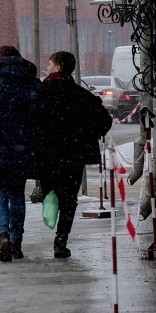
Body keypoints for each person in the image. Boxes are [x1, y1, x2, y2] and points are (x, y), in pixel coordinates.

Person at [37, 51, 113, 258]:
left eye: (50, 64)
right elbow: (105, 121)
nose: (47, 67)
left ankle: (50, 214)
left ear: (58, 67)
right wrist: (85, 135)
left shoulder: (41, 93)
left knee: (50, 193)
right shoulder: (81, 95)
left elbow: (30, 122)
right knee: (69, 198)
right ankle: (61, 241)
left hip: (47, 154)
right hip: (73, 155)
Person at [0, 46, 41, 262]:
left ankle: (3, 235)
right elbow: (42, 109)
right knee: (17, 195)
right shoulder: (30, 78)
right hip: (23, 145)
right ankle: (16, 242)